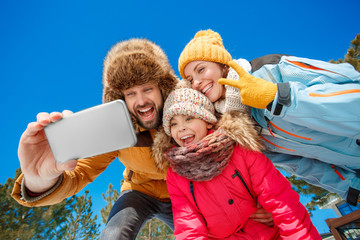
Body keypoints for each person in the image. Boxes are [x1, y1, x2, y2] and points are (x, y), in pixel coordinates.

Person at [11, 38, 272, 239]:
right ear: (119, 98)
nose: (142, 101)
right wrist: (39, 180)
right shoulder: (116, 132)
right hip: (139, 192)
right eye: (130, 93)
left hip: (186, 194)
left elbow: (227, 155)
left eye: (148, 89)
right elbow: (79, 174)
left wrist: (256, 200)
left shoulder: (185, 116)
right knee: (114, 233)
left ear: (163, 88)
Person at [177, 29, 360, 206]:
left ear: (222, 64)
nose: (197, 82)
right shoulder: (239, 127)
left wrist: (277, 96)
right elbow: (301, 164)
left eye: (201, 69)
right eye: (190, 79)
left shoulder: (270, 70)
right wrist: (350, 188)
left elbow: (349, 81)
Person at [152, 86, 321, 239]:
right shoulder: (176, 175)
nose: (181, 127)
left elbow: (281, 201)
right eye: (173, 124)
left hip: (270, 234)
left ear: (207, 120)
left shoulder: (239, 149)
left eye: (189, 118)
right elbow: (188, 224)